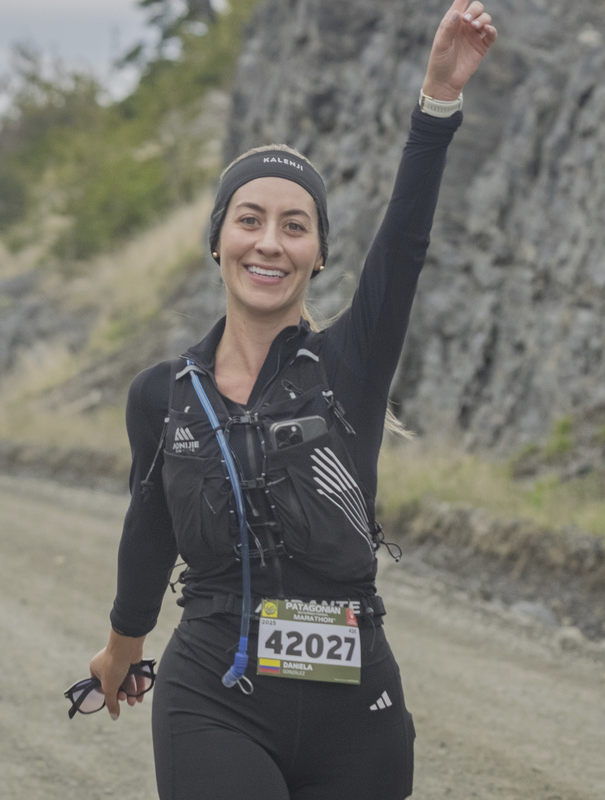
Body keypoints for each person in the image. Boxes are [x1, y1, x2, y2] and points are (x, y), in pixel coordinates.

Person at [85, 2, 496, 797]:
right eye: (250, 220)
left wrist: (439, 100)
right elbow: (150, 529)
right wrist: (122, 645)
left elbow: (406, 246)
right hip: (213, 695)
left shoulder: (350, 368)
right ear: (218, 241)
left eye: (295, 226)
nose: (270, 242)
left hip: (357, 707)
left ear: (318, 254)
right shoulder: (161, 395)